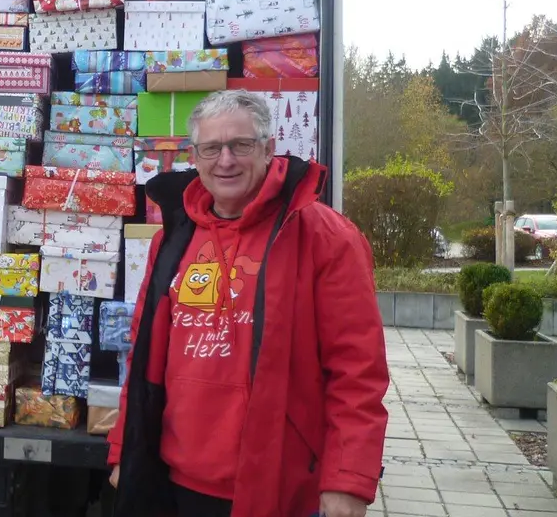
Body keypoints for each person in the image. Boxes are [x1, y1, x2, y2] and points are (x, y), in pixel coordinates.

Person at [107, 89, 389, 517]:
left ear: (269, 149)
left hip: (279, 485)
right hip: (174, 482)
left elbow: (358, 370)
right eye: (212, 148)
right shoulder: (173, 238)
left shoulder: (324, 237)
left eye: (241, 145)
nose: (226, 160)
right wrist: (124, 448)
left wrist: (349, 479)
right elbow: (143, 352)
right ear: (195, 157)